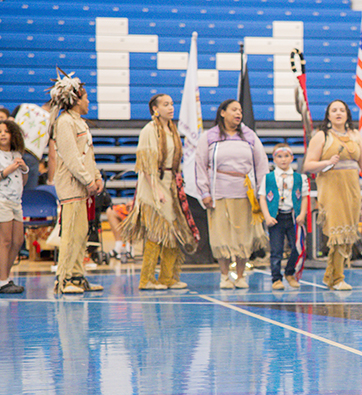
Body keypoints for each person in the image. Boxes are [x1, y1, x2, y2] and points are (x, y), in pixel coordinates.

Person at [120, 94, 199, 290]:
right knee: (156, 232)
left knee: (172, 231)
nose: (171, 107)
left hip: (171, 184)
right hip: (153, 184)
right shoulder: (149, 130)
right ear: (155, 109)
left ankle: (167, 277)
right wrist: (156, 191)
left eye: (172, 104)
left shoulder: (172, 130)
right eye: (166, 105)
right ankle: (146, 279)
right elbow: (146, 165)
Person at [303, 99, 362, 291]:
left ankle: (332, 275)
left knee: (348, 232)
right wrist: (327, 162)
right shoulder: (321, 136)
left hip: (351, 187)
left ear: (347, 115)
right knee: (337, 232)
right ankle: (337, 278)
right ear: (328, 116)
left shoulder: (355, 135)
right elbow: (308, 165)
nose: (338, 113)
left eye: (342, 110)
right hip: (331, 188)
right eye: (334, 110)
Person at [196, 99, 269, 290]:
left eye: (240, 110)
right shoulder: (210, 136)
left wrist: (261, 192)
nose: (238, 113)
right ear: (222, 112)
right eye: (234, 110)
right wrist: (204, 192)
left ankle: (241, 275)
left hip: (245, 193)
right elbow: (200, 165)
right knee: (221, 236)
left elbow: (261, 164)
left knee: (243, 235)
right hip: (218, 192)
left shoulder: (249, 135)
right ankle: (224, 276)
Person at [48, 69, 104, 294]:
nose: (89, 101)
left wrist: (97, 177)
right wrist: (88, 180)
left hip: (84, 187)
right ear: (76, 99)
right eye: (87, 97)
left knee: (82, 233)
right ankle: (63, 279)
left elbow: (87, 155)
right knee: (70, 234)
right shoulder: (65, 123)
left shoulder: (80, 122)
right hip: (72, 186)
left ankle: (78, 276)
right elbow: (71, 157)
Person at [259, 143, 308, 291]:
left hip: (293, 216)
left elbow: (304, 197)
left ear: (292, 158)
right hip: (276, 217)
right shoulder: (268, 178)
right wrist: (267, 216)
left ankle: (290, 273)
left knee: (297, 247)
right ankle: (276, 278)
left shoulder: (299, 178)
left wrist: (302, 214)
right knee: (276, 249)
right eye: (279, 156)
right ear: (273, 159)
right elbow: (262, 197)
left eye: (286, 156)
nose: (283, 160)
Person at [0, 120, 28, 294]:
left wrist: (23, 169)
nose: (2, 134)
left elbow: (22, 182)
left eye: (6, 131)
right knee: (5, 240)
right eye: (0, 131)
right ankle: (2, 280)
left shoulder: (16, 154)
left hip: (16, 202)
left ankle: (5, 275)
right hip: (1, 200)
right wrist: (8, 170)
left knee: (17, 241)